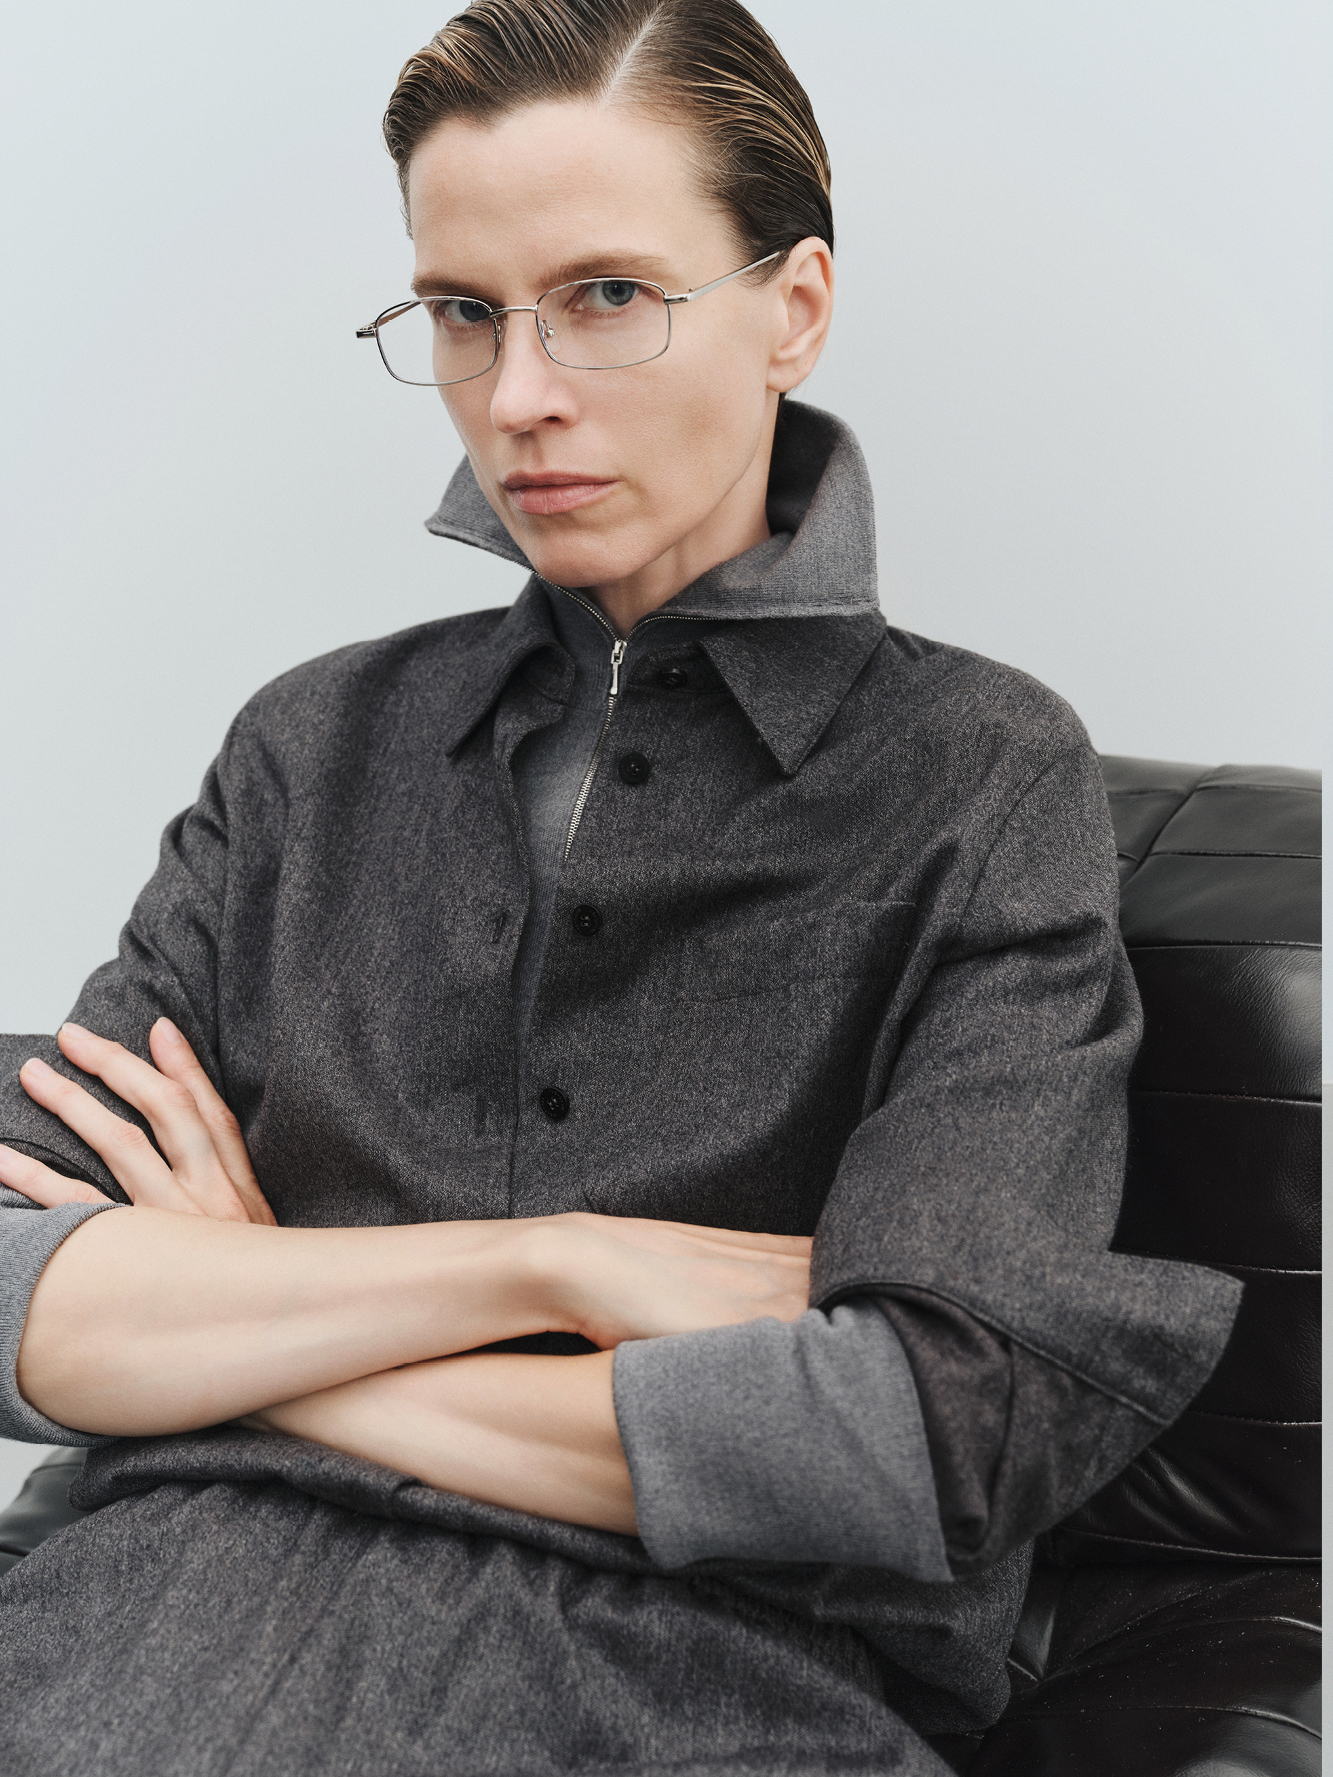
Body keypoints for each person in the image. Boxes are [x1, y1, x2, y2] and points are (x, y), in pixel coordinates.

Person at [0, 3, 1241, 1772]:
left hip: (692, 1695)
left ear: (792, 308)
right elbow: (13, 1271)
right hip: (124, 1638)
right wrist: (558, 1262)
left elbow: (919, 1430)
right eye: (461, 312)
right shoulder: (310, 747)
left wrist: (246, 1313)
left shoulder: (980, 775)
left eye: (604, 296)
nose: (515, 398)